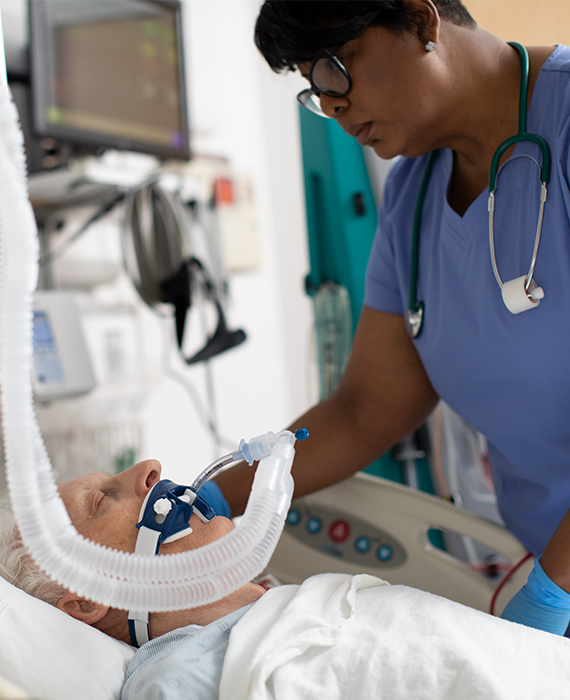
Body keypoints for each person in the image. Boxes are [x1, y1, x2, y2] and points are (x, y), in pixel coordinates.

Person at [214, 0, 570, 564]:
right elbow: (363, 411)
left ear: (421, 21)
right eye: (313, 87)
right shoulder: (411, 197)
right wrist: (209, 496)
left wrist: (555, 591)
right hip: (544, 569)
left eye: (335, 66)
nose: (331, 104)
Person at [2, 460, 570, 700]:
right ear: (87, 600)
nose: (149, 468)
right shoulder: (182, 676)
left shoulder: (279, 615)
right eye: (103, 500)